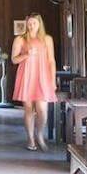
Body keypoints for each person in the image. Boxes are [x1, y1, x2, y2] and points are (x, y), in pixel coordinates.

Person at [11, 13, 57, 151]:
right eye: (29, 23)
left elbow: (51, 61)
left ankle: (40, 134)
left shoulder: (47, 39)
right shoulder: (20, 39)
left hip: (43, 76)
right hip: (26, 76)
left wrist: (53, 80)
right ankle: (30, 139)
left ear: (39, 24)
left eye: (34, 23)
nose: (31, 26)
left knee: (42, 109)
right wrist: (26, 54)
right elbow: (14, 59)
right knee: (29, 110)